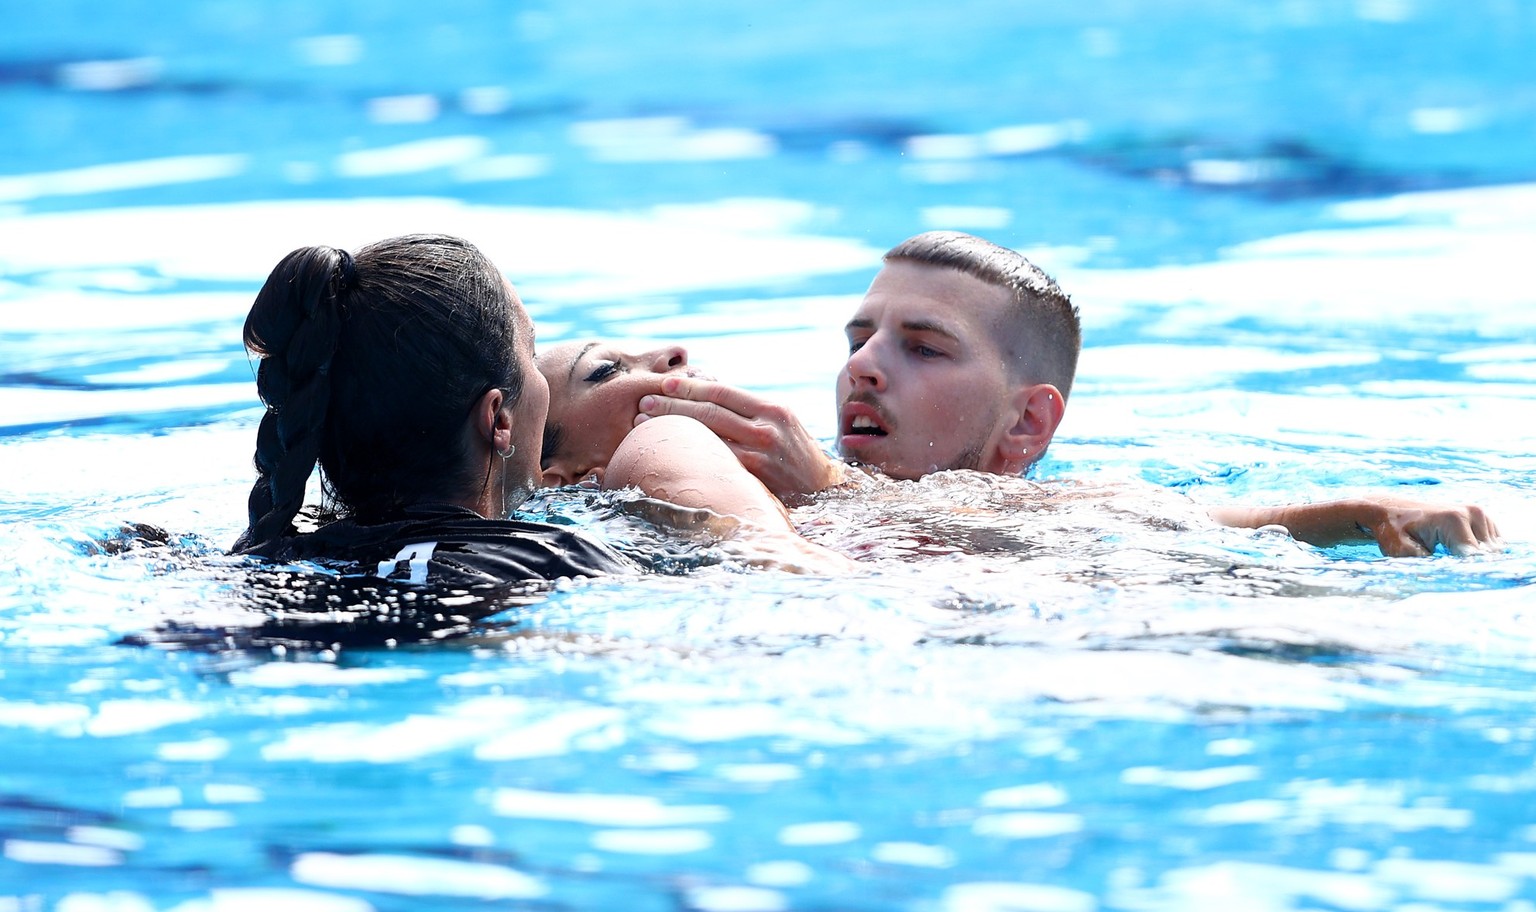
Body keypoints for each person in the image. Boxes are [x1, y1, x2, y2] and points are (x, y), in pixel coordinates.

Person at [548, 231, 1500, 558]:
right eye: (859, 339)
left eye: (922, 347)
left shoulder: (1008, 504)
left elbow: (1171, 518)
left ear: (1026, 424)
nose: (864, 366)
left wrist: (1368, 507)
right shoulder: (757, 485)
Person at [233, 233, 636, 587]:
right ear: (498, 419)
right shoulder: (557, 562)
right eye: (530, 355)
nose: (539, 373)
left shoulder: (281, 550)